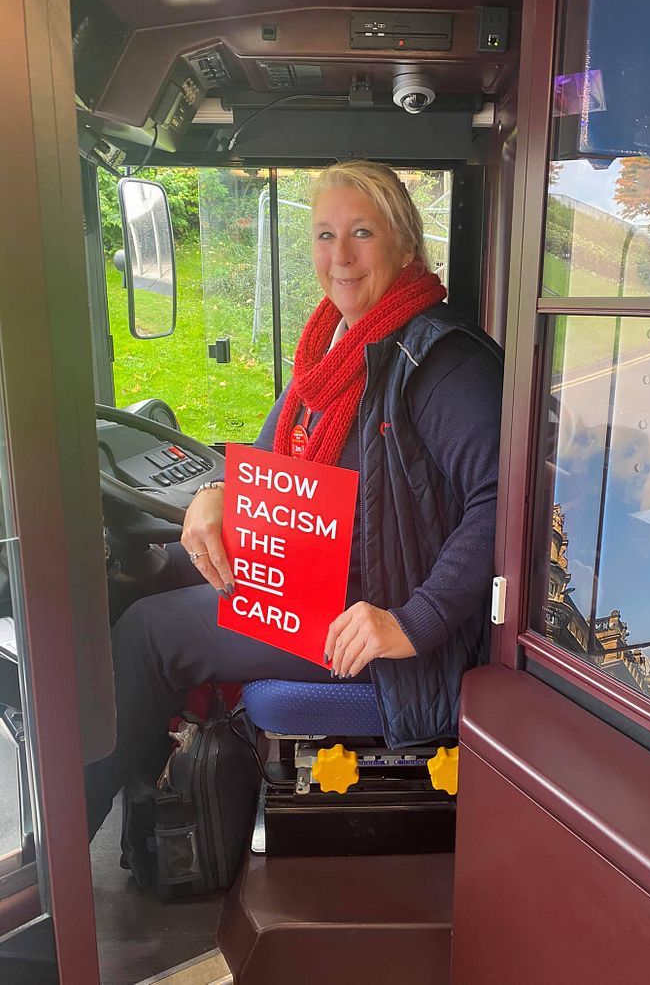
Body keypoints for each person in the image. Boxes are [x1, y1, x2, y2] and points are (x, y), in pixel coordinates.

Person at [85, 160, 503, 837]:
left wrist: (410, 621)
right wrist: (215, 494)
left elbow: (499, 502)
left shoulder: (443, 363)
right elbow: (266, 461)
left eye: (361, 233)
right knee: (142, 578)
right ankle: (148, 804)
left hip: (367, 620)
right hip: (309, 572)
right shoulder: (334, 347)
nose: (338, 256)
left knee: (147, 635)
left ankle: (69, 857)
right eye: (324, 234)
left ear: (406, 245)